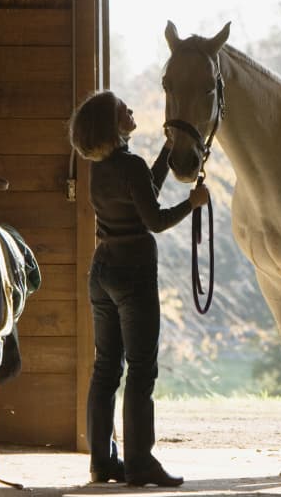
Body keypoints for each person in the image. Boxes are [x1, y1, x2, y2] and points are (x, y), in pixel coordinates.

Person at [69, 90, 208, 487]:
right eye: (122, 109)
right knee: (142, 369)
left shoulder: (102, 167)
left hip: (103, 271)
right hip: (133, 273)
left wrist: (167, 152)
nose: (130, 110)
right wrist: (193, 203)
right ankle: (140, 462)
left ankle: (102, 462)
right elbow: (155, 219)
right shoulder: (128, 165)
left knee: (106, 368)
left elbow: (144, 192)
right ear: (112, 124)